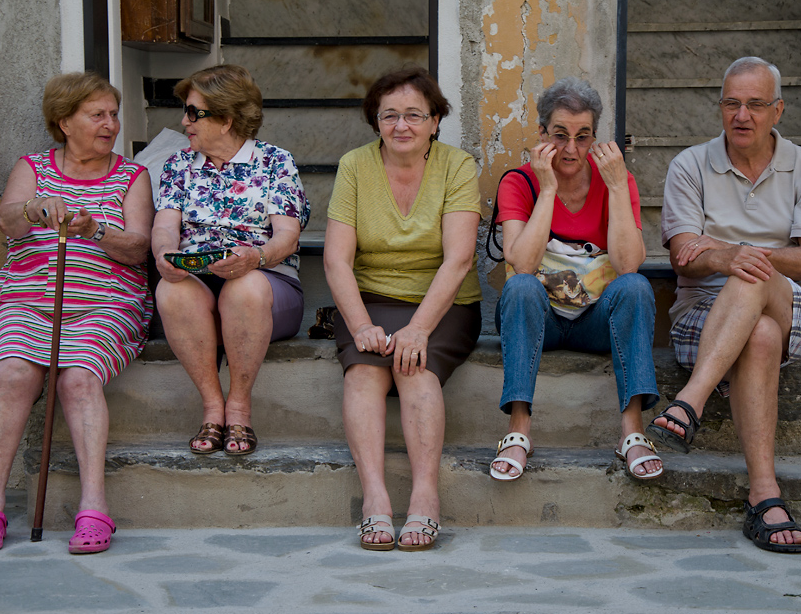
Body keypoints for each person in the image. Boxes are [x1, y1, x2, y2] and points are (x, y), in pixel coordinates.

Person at [0, 72, 154, 554]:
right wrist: (33, 208)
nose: (110, 124)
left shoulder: (132, 175)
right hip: (29, 300)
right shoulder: (32, 167)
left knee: (77, 378)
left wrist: (95, 229)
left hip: (107, 303)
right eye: (98, 115)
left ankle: (95, 508)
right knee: (11, 372)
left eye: (113, 114)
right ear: (65, 122)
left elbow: (138, 248)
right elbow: (6, 219)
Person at [652, 56, 801, 553]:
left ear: (778, 110)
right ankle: (765, 497)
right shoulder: (690, 164)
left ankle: (690, 401)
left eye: (756, 104)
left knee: (755, 274)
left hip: (793, 307)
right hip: (701, 317)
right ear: (720, 108)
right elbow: (684, 260)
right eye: (732, 103)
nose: (742, 115)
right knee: (758, 334)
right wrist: (719, 258)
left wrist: (733, 254)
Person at [324, 67, 481, 551]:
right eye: (389, 115)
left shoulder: (457, 166)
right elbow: (335, 259)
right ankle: (374, 499)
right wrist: (360, 324)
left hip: (444, 302)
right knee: (364, 372)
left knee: (414, 367)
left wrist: (417, 329)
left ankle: (424, 498)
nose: (401, 126)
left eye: (415, 114)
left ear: (436, 121)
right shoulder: (355, 165)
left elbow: (458, 259)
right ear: (376, 121)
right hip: (369, 299)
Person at [489, 78, 661, 483]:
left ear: (596, 139)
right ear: (541, 134)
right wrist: (547, 190)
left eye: (583, 138)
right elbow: (523, 264)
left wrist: (618, 186)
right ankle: (518, 432)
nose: (571, 150)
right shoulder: (520, 182)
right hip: (538, 319)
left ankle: (632, 433)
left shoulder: (616, 182)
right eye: (560, 135)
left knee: (636, 288)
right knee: (519, 286)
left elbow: (628, 264)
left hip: (596, 322)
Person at [152, 65, 309, 457]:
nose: (184, 121)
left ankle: (239, 408)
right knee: (171, 291)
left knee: (247, 285)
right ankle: (212, 406)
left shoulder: (275, 161)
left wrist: (255, 256)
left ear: (225, 120)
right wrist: (164, 254)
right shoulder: (178, 165)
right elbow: (166, 224)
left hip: (267, 283)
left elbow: (287, 237)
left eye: (193, 113)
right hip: (201, 280)